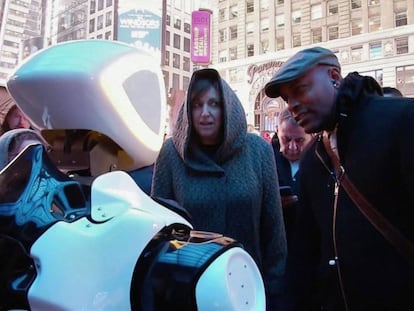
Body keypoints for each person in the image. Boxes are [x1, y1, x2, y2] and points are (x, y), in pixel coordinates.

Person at [264, 46, 414, 310]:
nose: (292, 105)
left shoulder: (401, 122)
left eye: (300, 89)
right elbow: (305, 255)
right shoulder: (314, 159)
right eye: (287, 98)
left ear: (334, 77)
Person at [151, 68, 287, 310]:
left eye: (214, 103)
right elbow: (158, 234)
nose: (205, 113)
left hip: (248, 291)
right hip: (189, 292)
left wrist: (273, 293)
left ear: (227, 107)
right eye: (197, 104)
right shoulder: (171, 154)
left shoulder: (258, 151)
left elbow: (274, 230)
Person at [272, 108, 311, 245]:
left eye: (300, 140)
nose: (293, 147)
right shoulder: (265, 159)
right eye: (286, 139)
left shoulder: (322, 161)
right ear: (277, 130)